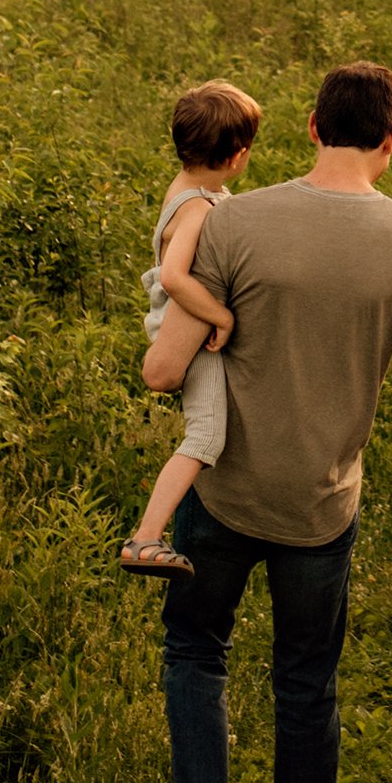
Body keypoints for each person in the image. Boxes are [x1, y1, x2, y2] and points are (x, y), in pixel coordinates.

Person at [139, 60, 392, 783]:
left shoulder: (236, 222)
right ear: (391, 140)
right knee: (307, 682)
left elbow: (169, 362)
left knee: (196, 654)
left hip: (226, 489)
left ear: (311, 126)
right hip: (324, 506)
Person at [119, 80, 260, 579]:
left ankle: (148, 536)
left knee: (208, 433)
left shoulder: (191, 188)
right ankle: (145, 538)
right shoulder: (198, 208)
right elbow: (177, 276)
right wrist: (222, 316)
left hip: (188, 327)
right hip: (190, 336)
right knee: (204, 437)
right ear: (239, 154)